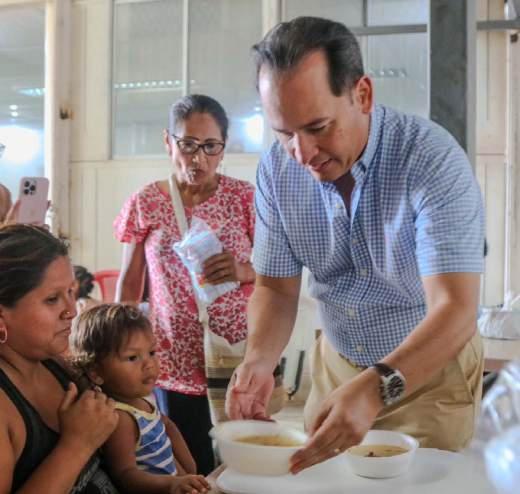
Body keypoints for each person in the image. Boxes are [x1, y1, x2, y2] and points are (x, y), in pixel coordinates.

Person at [225, 16, 485, 474]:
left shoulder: (430, 159)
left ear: (362, 95)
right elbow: (276, 289)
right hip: (338, 367)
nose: (302, 154)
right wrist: (260, 360)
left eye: (318, 127)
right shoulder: (276, 172)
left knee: (415, 483)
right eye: (284, 133)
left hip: (428, 374)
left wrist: (375, 388)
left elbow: (456, 308)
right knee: (323, 478)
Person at [114, 94, 256, 475]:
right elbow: (131, 281)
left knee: (243, 460)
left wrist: (243, 270)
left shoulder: (245, 198)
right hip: (172, 357)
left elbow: (279, 273)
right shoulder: (146, 202)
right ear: (168, 141)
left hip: (236, 354)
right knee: (191, 462)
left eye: (211, 146)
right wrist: (120, 346)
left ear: (224, 146)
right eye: (188, 144)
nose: (199, 158)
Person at [0, 224, 119, 493]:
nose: (71, 311)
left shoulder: (55, 363)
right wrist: (77, 445)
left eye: (71, 292)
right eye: (52, 299)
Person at [69, 303, 210, 494]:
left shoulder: (141, 400)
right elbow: (126, 475)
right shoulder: (120, 417)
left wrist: (187, 472)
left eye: (151, 353)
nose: (149, 364)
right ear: (96, 372)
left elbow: (167, 427)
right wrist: (172, 483)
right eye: (132, 358)